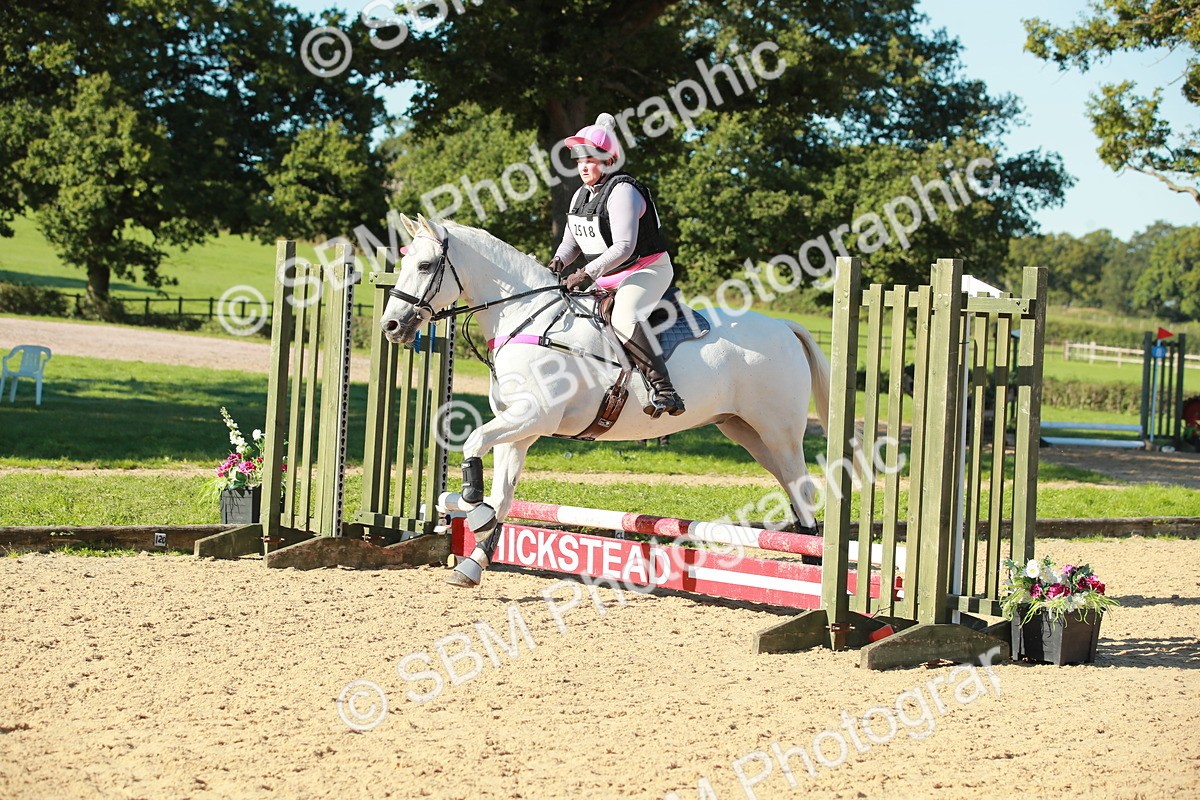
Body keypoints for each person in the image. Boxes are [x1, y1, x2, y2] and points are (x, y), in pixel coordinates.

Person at [548, 113, 685, 418]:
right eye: (579, 159)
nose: (583, 166)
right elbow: (571, 244)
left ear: (608, 160)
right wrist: (557, 263)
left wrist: (585, 273)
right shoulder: (579, 196)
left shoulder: (623, 190)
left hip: (646, 269)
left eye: (591, 159)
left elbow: (625, 247)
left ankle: (665, 390)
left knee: (624, 317)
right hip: (609, 276)